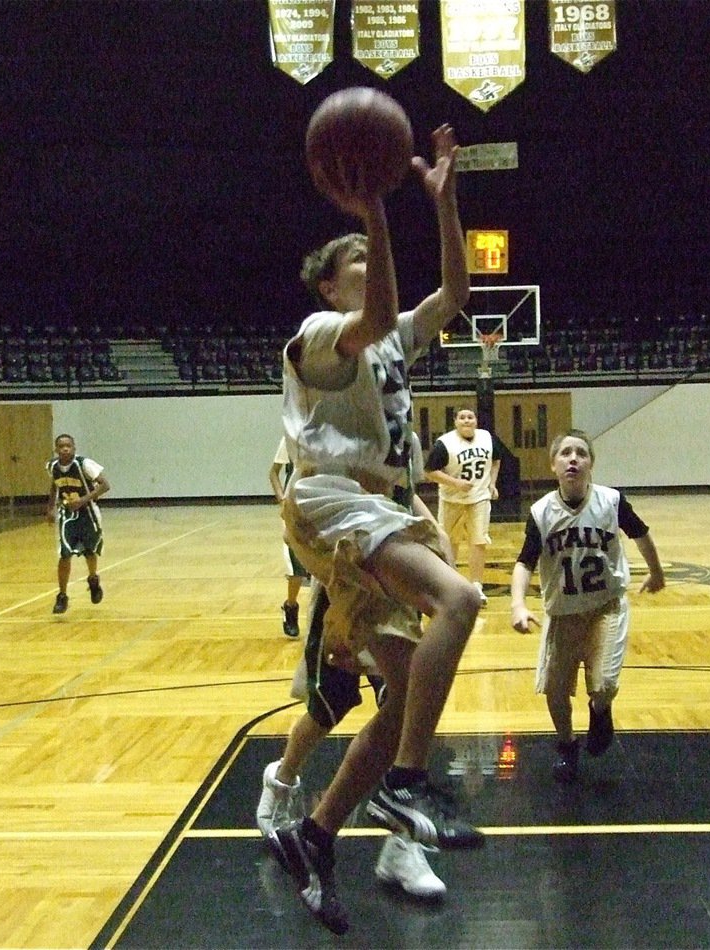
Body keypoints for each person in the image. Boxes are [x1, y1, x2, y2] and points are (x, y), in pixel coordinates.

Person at [267, 122, 482, 935]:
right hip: (332, 499)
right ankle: (406, 785)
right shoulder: (321, 335)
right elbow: (388, 304)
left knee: (397, 698)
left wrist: (444, 203)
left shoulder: (391, 335)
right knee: (460, 602)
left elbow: (453, 296)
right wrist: (378, 210)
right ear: (328, 286)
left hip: (380, 506)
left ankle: (315, 833)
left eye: (368, 250)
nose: (367, 260)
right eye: (352, 256)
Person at [259, 486, 453, 901]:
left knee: (408, 714)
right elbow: (302, 515)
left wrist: (437, 544)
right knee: (327, 710)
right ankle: (281, 780)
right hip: (343, 587)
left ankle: (403, 846)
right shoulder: (322, 438)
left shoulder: (396, 434)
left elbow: (406, 488)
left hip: (393, 590)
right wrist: (342, 607)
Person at [509, 430, 665, 783]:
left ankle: (600, 710)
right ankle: (566, 746)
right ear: (553, 465)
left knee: (604, 683)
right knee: (554, 690)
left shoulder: (610, 501)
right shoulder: (541, 512)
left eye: (581, 452)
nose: (573, 458)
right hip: (562, 611)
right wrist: (517, 604)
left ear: (591, 463)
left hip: (605, 606)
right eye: (565, 453)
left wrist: (656, 572)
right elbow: (524, 562)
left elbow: (640, 534)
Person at [424, 407, 504, 606]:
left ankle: (477, 586)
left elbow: (496, 459)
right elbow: (429, 471)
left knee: (479, 541)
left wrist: (492, 483)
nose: (467, 421)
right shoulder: (445, 443)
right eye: (462, 418)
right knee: (450, 543)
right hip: (452, 499)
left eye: (470, 417)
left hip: (479, 498)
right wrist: (455, 483)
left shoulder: (486, 438)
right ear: (455, 422)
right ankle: (449, 586)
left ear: (476, 420)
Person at [45, 434, 110, 614]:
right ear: (56, 449)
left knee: (90, 551)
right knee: (65, 553)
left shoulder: (84, 464)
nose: (65, 449)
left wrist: (83, 500)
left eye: (68, 446)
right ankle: (62, 596)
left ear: (74, 448)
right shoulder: (52, 466)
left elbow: (105, 485)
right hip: (67, 514)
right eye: (61, 446)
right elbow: (54, 486)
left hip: (88, 513)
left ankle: (93, 579)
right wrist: (50, 507)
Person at [269, 437, 310, 637]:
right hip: (294, 508)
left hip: (316, 505)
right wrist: (282, 500)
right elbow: (273, 473)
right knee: (297, 571)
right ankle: (291, 606)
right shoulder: (290, 438)